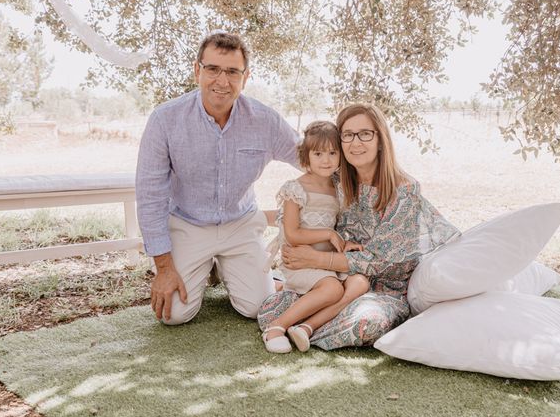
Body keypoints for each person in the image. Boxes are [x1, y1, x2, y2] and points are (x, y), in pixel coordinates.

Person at [258, 102, 460, 350]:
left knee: (365, 322)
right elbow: (302, 212)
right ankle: (293, 323)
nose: (356, 143)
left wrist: (315, 259)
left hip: (383, 286)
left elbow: (381, 261)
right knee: (270, 307)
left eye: (365, 134)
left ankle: (305, 326)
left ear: (380, 139)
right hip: (337, 277)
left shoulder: (404, 191)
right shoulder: (336, 180)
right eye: (348, 135)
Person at [136, 31, 300, 325]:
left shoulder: (266, 121)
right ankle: (207, 265)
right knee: (173, 314)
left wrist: (366, 171)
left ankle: (234, 268)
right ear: (198, 70)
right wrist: (163, 268)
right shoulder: (165, 120)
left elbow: (310, 157)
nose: (222, 81)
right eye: (213, 69)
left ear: (245, 77)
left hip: (240, 224)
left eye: (232, 72)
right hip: (188, 223)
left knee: (258, 308)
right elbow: (150, 196)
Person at [262, 121, 369, 353]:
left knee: (360, 282)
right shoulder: (295, 189)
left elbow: (337, 228)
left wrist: (343, 241)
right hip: (299, 263)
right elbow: (292, 234)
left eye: (332, 153)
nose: (326, 160)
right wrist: (328, 234)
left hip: (325, 262)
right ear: (306, 156)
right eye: (318, 153)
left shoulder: (337, 189)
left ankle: (305, 328)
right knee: (332, 289)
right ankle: (276, 327)